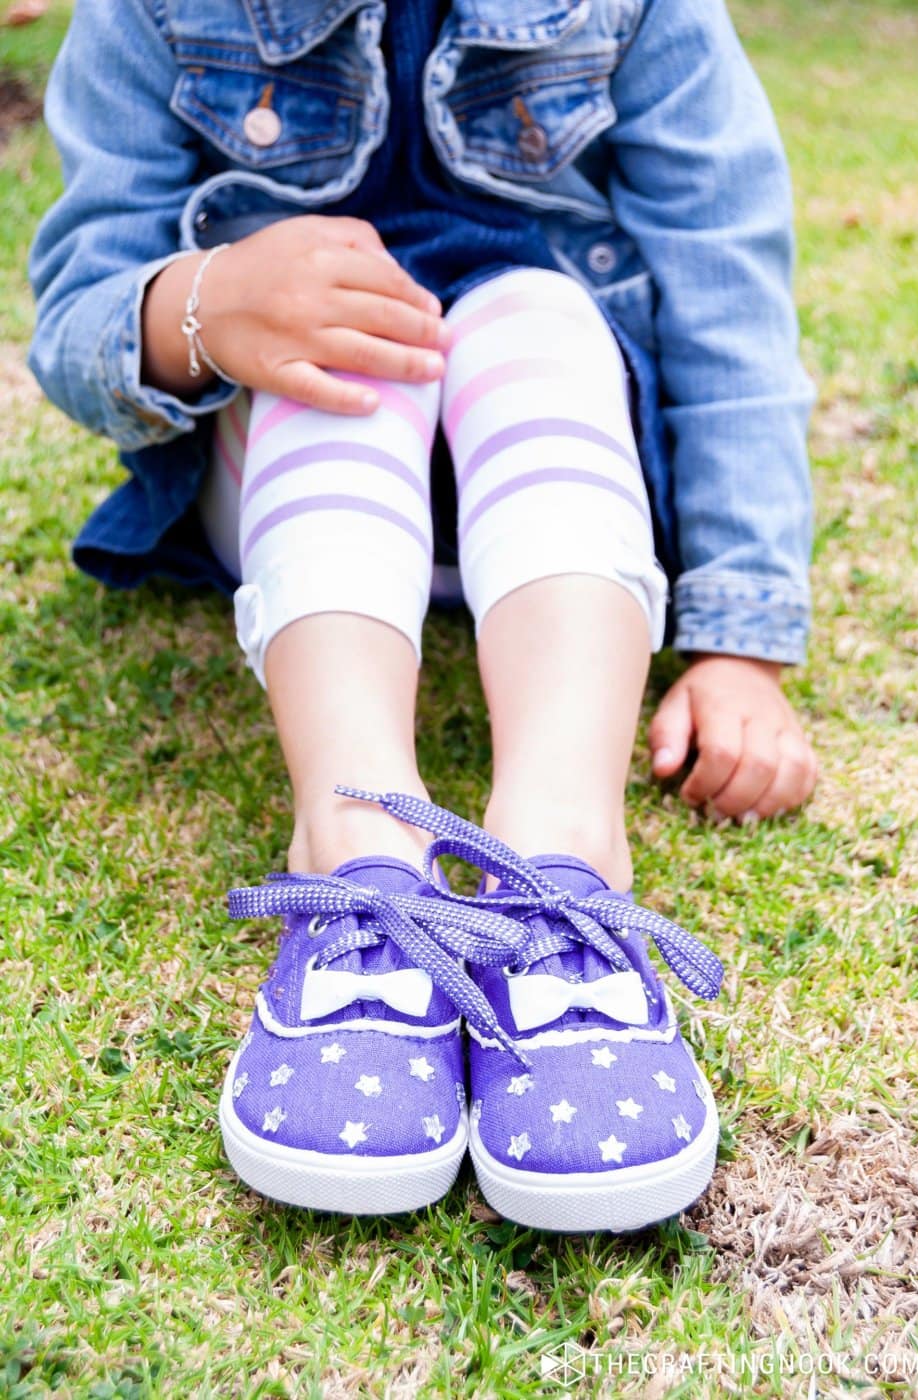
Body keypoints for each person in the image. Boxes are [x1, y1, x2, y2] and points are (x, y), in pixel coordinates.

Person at [29, 0, 817, 1231]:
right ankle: (358, 863)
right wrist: (207, 298)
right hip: (297, 486)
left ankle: (558, 870)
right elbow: (76, 310)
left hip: (555, 480)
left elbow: (728, 303)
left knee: (537, 315)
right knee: (340, 351)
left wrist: (742, 640)